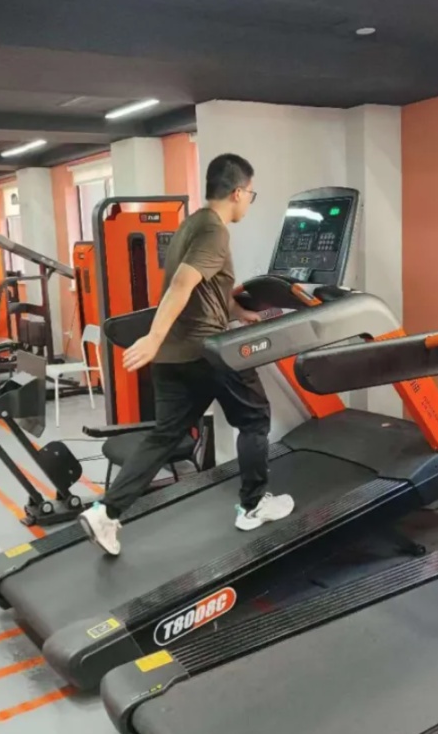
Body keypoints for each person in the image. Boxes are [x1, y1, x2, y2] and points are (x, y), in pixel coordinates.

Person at [78, 154, 295, 556]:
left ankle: (106, 513)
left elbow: (204, 288)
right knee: (254, 419)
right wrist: (153, 337)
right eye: (251, 194)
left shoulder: (192, 224)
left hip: (174, 359)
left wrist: (238, 312)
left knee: (165, 435)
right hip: (206, 351)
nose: (249, 202)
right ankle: (253, 506)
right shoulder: (215, 231)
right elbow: (182, 283)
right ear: (238, 192)